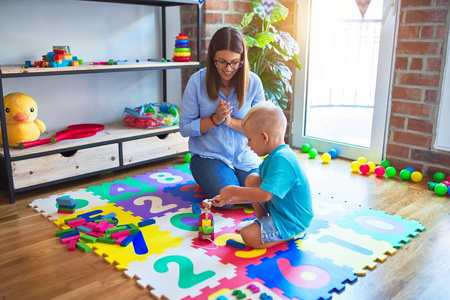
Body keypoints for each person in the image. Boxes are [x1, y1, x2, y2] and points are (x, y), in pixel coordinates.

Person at [179, 27, 265, 208]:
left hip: (244, 156)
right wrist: (214, 120)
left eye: (235, 62)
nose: (228, 69)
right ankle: (209, 178)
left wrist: (229, 121)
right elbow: (185, 128)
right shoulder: (197, 81)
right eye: (222, 62)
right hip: (209, 156)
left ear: (242, 59)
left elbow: (259, 127)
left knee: (263, 194)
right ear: (212, 58)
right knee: (226, 201)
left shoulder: (253, 82)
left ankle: (241, 191)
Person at [211, 101, 314, 249]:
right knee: (252, 179)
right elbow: (257, 191)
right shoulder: (274, 155)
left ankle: (294, 233)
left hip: (292, 220)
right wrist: (228, 199)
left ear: (264, 137)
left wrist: (232, 190)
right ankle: (262, 221)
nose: (248, 144)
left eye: (250, 139)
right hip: (279, 209)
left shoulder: (282, 159)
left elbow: (264, 195)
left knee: (249, 236)